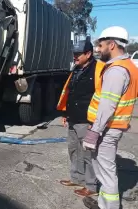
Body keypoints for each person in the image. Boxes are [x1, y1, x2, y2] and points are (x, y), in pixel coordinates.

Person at [82, 26, 138, 209]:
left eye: (101, 45)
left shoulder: (117, 71)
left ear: (112, 45)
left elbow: (108, 105)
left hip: (107, 128)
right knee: (104, 169)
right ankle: (103, 202)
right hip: (113, 126)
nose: (97, 49)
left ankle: (109, 206)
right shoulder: (129, 66)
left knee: (106, 171)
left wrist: (94, 132)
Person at [57, 38, 105, 197]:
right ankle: (77, 178)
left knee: (88, 154)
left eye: (78, 54)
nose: (75, 57)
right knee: (74, 149)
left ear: (89, 53)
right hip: (73, 117)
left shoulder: (99, 70)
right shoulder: (76, 69)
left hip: (88, 120)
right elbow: (69, 92)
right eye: (73, 54)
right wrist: (65, 113)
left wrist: (96, 122)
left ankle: (91, 186)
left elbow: (104, 97)